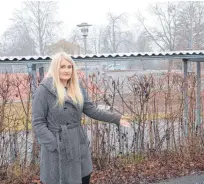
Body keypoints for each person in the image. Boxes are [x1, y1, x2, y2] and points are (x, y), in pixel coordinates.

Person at [32, 52, 131, 184]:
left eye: (69, 67)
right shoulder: (44, 90)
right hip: (56, 151)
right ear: (55, 68)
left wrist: (116, 118)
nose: (66, 70)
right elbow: (38, 123)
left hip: (78, 144)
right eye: (62, 67)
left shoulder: (77, 88)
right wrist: (54, 144)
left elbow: (91, 110)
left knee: (83, 177)